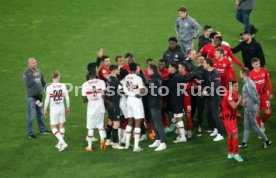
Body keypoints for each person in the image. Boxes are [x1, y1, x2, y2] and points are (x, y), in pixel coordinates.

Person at [239, 68, 272, 149]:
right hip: (248, 107)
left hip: (250, 108)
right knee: (246, 125)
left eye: (240, 73)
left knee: (255, 127)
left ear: (243, 74)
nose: (239, 75)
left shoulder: (248, 84)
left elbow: (254, 96)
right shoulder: (248, 82)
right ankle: (244, 143)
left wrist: (257, 104)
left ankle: (267, 142)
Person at [23, 58, 51, 139]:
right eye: (32, 63)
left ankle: (43, 130)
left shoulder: (39, 71)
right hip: (31, 97)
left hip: (39, 96)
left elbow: (43, 82)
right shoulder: (26, 73)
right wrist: (33, 77)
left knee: (40, 113)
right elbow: (27, 84)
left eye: (35, 62)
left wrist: (48, 90)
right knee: (31, 115)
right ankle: (30, 133)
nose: (34, 64)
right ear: (29, 64)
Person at [43, 71, 70, 152]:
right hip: (61, 107)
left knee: (53, 127)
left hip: (54, 109)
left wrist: (45, 109)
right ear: (58, 76)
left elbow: (47, 100)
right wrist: (68, 107)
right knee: (61, 125)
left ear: (52, 77)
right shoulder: (63, 85)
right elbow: (67, 98)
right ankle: (60, 143)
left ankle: (62, 142)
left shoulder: (49, 87)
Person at [82, 68, 107, 151]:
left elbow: (84, 100)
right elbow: (104, 95)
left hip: (91, 108)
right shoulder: (101, 82)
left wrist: (90, 96)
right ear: (95, 75)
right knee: (100, 125)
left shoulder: (85, 84)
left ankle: (89, 146)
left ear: (88, 76)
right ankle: (102, 140)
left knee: (90, 127)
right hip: (100, 107)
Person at [123, 62, 145, 152]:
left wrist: (131, 93)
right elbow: (142, 91)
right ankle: (136, 147)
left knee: (130, 121)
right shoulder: (138, 78)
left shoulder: (126, 77)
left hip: (129, 100)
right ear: (136, 68)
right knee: (138, 122)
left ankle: (127, 144)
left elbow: (125, 90)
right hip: (136, 101)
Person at [221, 80, 244, 162]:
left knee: (230, 135)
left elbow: (239, 108)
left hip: (232, 118)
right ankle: (236, 154)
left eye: (237, 86)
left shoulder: (236, 94)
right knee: (235, 135)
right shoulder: (228, 94)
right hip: (227, 118)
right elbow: (234, 106)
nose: (237, 87)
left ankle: (230, 153)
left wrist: (242, 103)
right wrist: (239, 100)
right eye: (235, 86)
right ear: (230, 86)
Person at [202, 58, 224, 142]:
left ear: (208, 64)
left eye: (204, 63)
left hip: (215, 97)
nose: (203, 64)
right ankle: (215, 129)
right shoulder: (206, 72)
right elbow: (206, 83)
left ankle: (220, 134)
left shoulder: (215, 73)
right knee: (209, 113)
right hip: (208, 96)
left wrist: (206, 91)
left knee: (215, 115)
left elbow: (216, 86)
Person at [147, 64, 167, 151]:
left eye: (148, 69)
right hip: (154, 104)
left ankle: (163, 143)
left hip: (155, 104)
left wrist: (152, 103)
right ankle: (158, 140)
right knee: (153, 123)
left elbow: (155, 93)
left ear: (151, 70)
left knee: (158, 123)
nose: (147, 71)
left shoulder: (154, 80)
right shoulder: (156, 78)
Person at [250, 58, 273, 131]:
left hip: (264, 95)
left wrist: (271, 92)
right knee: (257, 113)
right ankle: (260, 127)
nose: (258, 65)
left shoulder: (264, 70)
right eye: (256, 64)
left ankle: (262, 122)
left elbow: (268, 82)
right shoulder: (251, 74)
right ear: (252, 65)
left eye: (259, 63)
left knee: (268, 113)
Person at [166, 63, 187, 143]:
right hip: (174, 99)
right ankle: (182, 133)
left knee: (178, 117)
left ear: (173, 69)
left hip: (177, 100)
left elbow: (169, 87)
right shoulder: (173, 76)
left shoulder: (176, 76)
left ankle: (183, 136)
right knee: (175, 116)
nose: (168, 68)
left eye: (169, 67)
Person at [105, 65, 124, 149]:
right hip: (114, 104)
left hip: (109, 103)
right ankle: (115, 143)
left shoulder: (109, 79)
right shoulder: (114, 81)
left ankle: (108, 140)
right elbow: (121, 90)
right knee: (116, 123)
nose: (119, 71)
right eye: (118, 70)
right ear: (113, 71)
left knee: (110, 121)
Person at [178, 62, 193, 139]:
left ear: (183, 68)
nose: (178, 69)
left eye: (179, 67)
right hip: (179, 98)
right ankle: (181, 131)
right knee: (179, 115)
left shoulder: (189, 75)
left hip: (186, 98)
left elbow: (189, 86)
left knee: (188, 115)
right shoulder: (178, 75)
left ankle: (189, 130)